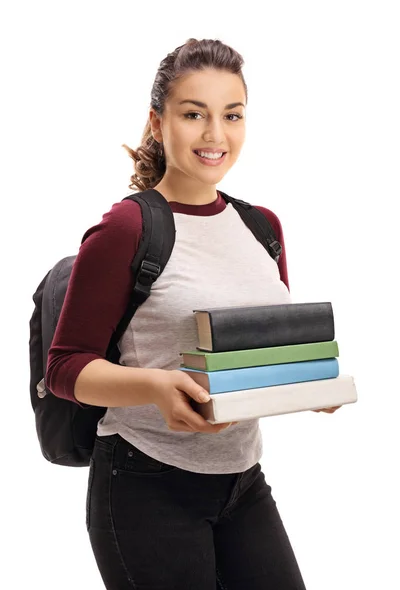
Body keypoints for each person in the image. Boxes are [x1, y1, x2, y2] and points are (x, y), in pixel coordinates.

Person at [46, 37, 338, 590]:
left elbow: (256, 349)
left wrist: (305, 384)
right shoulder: (127, 229)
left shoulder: (262, 227)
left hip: (242, 480)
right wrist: (157, 387)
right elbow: (64, 368)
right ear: (157, 123)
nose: (215, 135)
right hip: (144, 483)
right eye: (193, 114)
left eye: (232, 115)